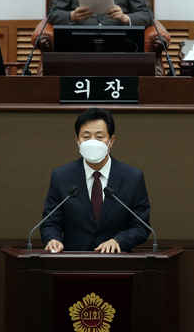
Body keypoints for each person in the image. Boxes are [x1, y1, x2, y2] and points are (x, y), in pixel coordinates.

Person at [40, 108, 151, 253]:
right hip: (72, 263)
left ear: (111, 141)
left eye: (99, 137)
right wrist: (53, 239)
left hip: (118, 264)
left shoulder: (133, 177)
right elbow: (50, 222)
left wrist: (118, 240)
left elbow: (141, 226)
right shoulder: (61, 176)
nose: (92, 142)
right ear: (77, 141)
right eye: (86, 137)